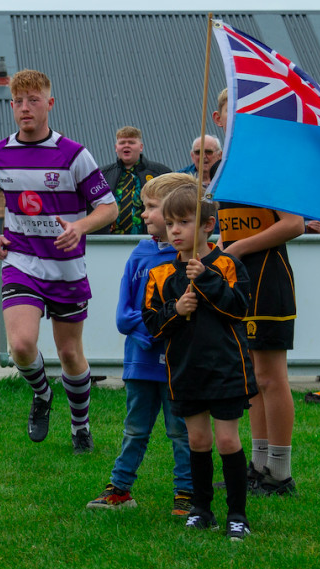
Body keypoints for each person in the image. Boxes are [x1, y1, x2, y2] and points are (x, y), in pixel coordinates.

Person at [0, 69, 117, 453]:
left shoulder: (73, 154)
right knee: (21, 345)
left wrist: (80, 226)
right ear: (11, 106)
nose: (25, 108)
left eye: (33, 100)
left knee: (70, 353)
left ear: (49, 104)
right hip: (21, 261)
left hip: (67, 268)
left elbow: (109, 207)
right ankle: (41, 394)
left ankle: (80, 426)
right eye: (18, 102)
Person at [142, 186, 258, 540]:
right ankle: (201, 508)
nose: (176, 230)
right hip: (185, 370)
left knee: (226, 441)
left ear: (208, 226)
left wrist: (206, 279)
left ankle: (237, 514)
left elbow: (238, 309)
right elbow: (152, 325)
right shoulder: (160, 275)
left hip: (226, 369)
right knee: (197, 441)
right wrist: (175, 311)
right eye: (171, 223)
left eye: (185, 222)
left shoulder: (227, 264)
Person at [212, 88, 304, 495]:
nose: (239, 117)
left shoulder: (272, 161)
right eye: (231, 111)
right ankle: (258, 463)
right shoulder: (224, 167)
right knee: (252, 376)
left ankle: (280, 473)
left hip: (268, 276)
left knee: (271, 376)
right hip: (237, 278)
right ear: (217, 119)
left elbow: (294, 224)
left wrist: (237, 248)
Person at [86, 173, 192, 515]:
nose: (143, 214)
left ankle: (187, 494)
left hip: (180, 366)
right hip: (140, 363)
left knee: (181, 433)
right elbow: (123, 316)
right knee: (134, 429)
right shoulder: (139, 255)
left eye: (151, 207)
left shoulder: (192, 261)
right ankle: (119, 489)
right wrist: (155, 330)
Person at [99, 126, 171, 234]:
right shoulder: (102, 175)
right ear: (116, 147)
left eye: (131, 142)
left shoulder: (161, 174)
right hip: (111, 242)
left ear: (141, 147)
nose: (126, 145)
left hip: (150, 240)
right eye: (122, 143)